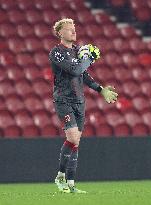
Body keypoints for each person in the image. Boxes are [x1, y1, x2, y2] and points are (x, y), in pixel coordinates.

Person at [49, 18, 118, 194]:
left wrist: (101, 90)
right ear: (60, 33)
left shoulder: (77, 51)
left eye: (74, 28)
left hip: (79, 101)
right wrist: (89, 58)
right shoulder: (57, 52)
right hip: (64, 100)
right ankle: (60, 176)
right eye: (69, 29)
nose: (73, 31)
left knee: (76, 142)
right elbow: (74, 70)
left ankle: (71, 184)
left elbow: (83, 75)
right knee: (72, 137)